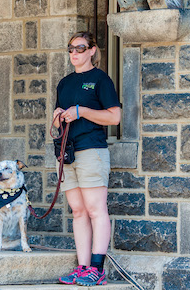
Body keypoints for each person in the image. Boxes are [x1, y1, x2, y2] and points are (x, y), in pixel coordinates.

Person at [54, 32, 121, 286]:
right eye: (70, 48)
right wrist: (58, 116)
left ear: (92, 50)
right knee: (79, 211)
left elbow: (114, 117)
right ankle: (82, 267)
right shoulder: (64, 83)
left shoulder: (100, 80)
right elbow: (57, 117)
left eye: (80, 48)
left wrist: (82, 111)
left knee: (95, 209)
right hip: (68, 152)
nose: (74, 53)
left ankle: (97, 268)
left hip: (91, 150)